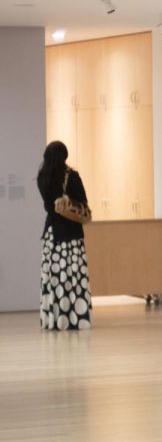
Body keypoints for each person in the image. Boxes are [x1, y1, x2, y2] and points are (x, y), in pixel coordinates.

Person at [35, 141, 92, 330]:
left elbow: (47, 205)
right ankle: (74, 318)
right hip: (71, 234)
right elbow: (83, 202)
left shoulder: (42, 177)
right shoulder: (72, 176)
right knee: (72, 277)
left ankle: (53, 319)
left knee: (54, 278)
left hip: (51, 235)